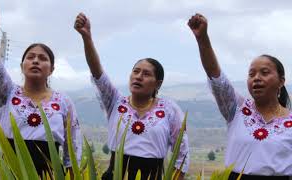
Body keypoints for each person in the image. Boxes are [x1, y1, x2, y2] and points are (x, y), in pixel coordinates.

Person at [74, 13, 190, 180]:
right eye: (135, 71)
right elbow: (97, 73)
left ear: (158, 83)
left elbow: (182, 152)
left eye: (146, 74)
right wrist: (87, 38)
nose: (138, 76)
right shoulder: (114, 102)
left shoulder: (169, 110)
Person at [188, 13, 292, 179]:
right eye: (251, 74)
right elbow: (216, 77)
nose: (256, 78)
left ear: (281, 81)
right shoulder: (236, 109)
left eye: (264, 73)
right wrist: (202, 39)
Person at [0, 3, 82, 177]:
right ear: (22, 66)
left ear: (51, 69)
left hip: (49, 174)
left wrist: (72, 174)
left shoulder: (63, 102)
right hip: (10, 172)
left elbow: (72, 147)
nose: (36, 61)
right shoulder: (7, 93)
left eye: (43, 58)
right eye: (30, 57)